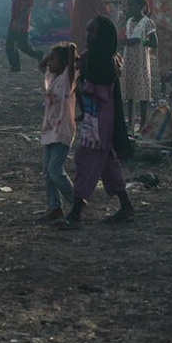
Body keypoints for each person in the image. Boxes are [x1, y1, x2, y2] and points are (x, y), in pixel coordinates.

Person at [61, 16, 135, 227]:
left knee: (87, 160)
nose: (88, 36)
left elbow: (101, 92)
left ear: (102, 37)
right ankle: (126, 206)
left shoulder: (104, 62)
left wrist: (84, 87)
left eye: (92, 32)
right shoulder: (92, 58)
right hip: (95, 118)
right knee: (108, 164)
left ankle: (76, 212)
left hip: (100, 121)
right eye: (88, 31)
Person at [39, 42, 78, 223]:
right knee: (48, 171)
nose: (49, 64)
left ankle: (76, 201)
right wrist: (51, 56)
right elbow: (42, 65)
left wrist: (70, 50)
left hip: (62, 129)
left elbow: (70, 67)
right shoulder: (52, 78)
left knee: (55, 170)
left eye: (53, 60)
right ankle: (54, 207)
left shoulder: (66, 79)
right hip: (49, 130)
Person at [120, 0, 157, 132]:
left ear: (142, 6)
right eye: (129, 6)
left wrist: (140, 41)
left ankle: (142, 122)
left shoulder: (147, 23)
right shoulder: (129, 22)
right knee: (130, 90)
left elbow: (154, 43)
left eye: (133, 5)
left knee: (142, 91)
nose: (130, 8)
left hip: (140, 60)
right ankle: (130, 122)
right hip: (129, 59)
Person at [6, 0, 42, 73]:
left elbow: (26, 9)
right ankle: (15, 66)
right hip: (13, 23)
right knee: (10, 45)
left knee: (22, 46)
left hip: (22, 24)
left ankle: (38, 54)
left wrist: (19, 22)